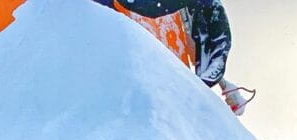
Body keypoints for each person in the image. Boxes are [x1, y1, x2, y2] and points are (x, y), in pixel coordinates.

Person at [92, 0, 232, 88]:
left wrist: (222, 83)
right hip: (124, 89)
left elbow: (194, 44)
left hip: (174, 98)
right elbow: (148, 6)